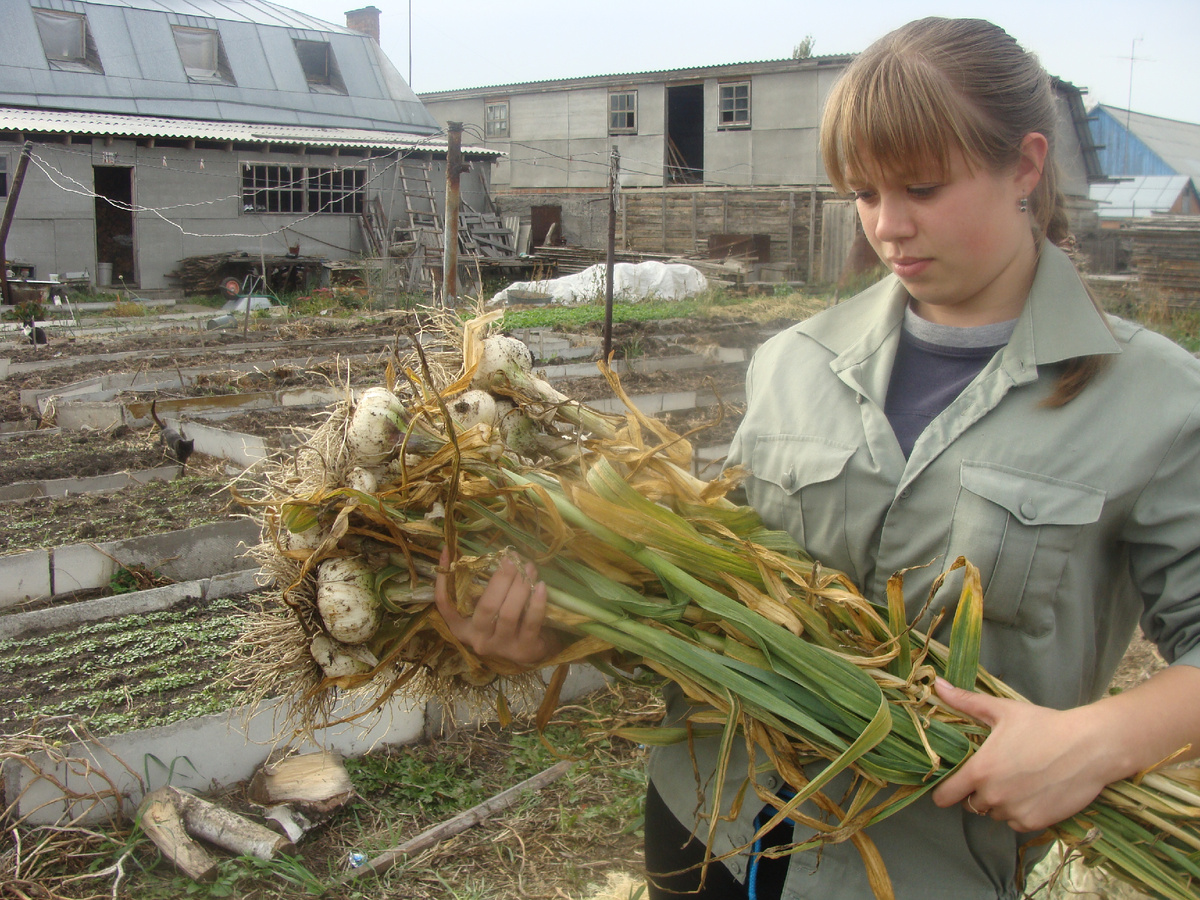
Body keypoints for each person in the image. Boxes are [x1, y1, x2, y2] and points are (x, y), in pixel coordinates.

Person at [437, 16, 1200, 900]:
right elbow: (724, 601)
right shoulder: (795, 360)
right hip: (708, 825)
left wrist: (1098, 743)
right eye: (863, 194)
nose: (888, 226)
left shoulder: (1155, 397)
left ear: (1025, 167)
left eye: (920, 186)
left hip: (931, 870)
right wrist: (557, 625)